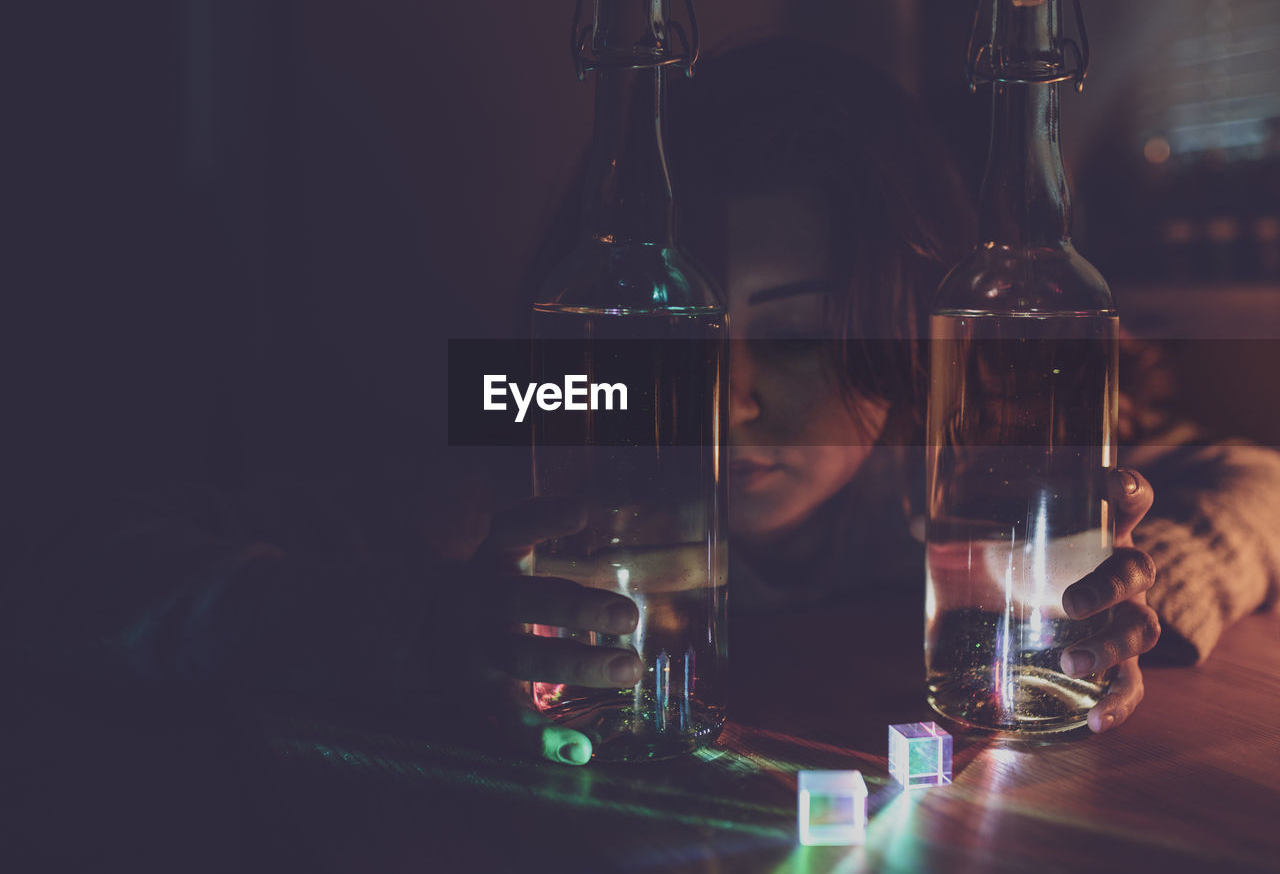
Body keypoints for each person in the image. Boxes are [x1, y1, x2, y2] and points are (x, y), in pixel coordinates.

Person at [12, 38, 1279, 768]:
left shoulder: (937, 489)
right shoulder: (536, 481)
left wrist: (1136, 580)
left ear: (906, 336)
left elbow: (1253, 472)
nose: (722, 393)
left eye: (790, 333)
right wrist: (401, 626)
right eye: (681, 333)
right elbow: (69, 564)